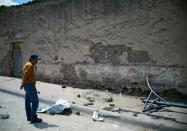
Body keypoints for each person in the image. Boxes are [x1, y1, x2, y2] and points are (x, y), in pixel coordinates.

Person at [20, 54, 42, 123]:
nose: (37, 61)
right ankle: (33, 117)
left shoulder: (27, 64)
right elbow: (26, 75)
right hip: (30, 86)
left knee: (27, 102)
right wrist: (22, 84)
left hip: (27, 86)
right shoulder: (30, 66)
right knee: (35, 102)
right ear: (32, 59)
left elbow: (24, 74)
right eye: (36, 59)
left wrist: (23, 84)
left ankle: (29, 117)